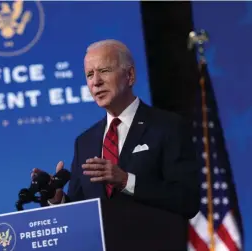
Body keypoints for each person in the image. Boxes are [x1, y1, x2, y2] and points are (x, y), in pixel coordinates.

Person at [32, 39, 200, 219]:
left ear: (130, 75)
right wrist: (58, 199)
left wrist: (126, 180)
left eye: (104, 71)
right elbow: (81, 210)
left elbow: (187, 200)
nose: (96, 82)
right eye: (89, 74)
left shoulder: (168, 126)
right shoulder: (85, 142)